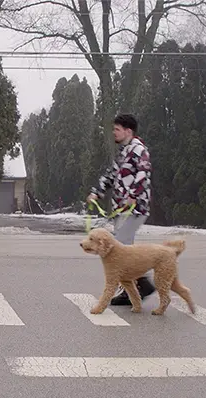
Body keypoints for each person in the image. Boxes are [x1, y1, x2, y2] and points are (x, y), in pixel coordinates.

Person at [86, 113, 156, 305]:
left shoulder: (139, 150)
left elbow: (143, 175)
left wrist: (132, 195)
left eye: (117, 129)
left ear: (128, 131)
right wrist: (96, 192)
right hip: (121, 209)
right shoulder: (124, 151)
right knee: (125, 249)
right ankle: (138, 286)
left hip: (135, 208)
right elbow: (111, 175)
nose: (113, 132)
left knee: (119, 247)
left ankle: (138, 285)